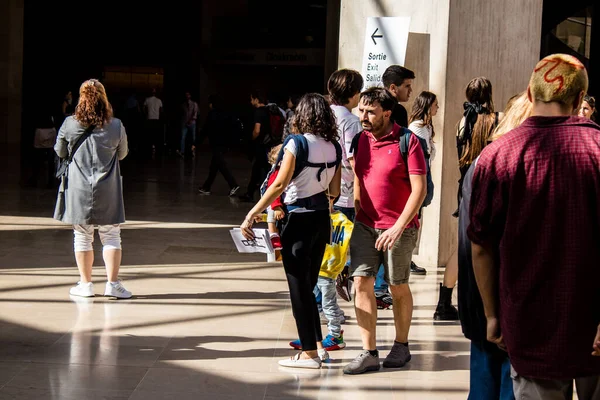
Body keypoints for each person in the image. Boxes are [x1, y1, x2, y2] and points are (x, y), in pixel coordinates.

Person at [470, 54, 600, 399]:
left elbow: (481, 245)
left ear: (529, 93)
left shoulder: (498, 155)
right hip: (593, 328)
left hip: (528, 325)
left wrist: (492, 316)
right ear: (578, 100)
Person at [240, 93, 342, 369]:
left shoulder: (295, 144)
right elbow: (334, 190)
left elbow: (278, 185)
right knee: (307, 288)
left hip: (297, 221)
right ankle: (319, 348)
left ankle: (308, 353)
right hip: (322, 220)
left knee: (298, 289)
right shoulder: (334, 146)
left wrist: (252, 213)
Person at [343, 87, 427, 375]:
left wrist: (398, 226)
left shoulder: (408, 141)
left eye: (370, 112)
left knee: (397, 286)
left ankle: (401, 346)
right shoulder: (359, 139)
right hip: (365, 225)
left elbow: (419, 189)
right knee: (361, 283)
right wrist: (356, 214)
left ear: (387, 113)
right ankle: (368, 351)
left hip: (399, 228)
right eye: (361, 110)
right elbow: (359, 179)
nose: (363, 116)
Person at [458, 91, 531, 400]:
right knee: (508, 385)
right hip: (500, 295)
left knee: (485, 381)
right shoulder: (504, 165)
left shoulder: (481, 163)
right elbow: (483, 243)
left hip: (480, 294)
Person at [54, 79, 131, 299]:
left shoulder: (70, 124)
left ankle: (86, 285)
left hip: (78, 188)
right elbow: (123, 153)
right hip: (108, 188)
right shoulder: (116, 125)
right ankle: (113, 284)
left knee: (82, 236)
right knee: (112, 235)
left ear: (81, 98)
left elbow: (59, 151)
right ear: (104, 98)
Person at [433, 77, 501, 321]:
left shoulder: (463, 121)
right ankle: (486, 304)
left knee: (463, 244)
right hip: (490, 185)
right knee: (488, 244)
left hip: (467, 186)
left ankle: (444, 302)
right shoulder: (498, 120)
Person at [381, 65, 426, 276]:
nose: (410, 91)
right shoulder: (397, 111)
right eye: (407, 86)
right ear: (393, 87)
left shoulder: (384, 107)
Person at [197, 94, 240, 196]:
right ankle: (206, 187)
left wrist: (196, 143)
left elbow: (205, 130)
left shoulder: (212, 114)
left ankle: (233, 184)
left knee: (221, 166)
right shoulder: (226, 114)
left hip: (216, 144)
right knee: (214, 166)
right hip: (225, 144)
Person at [239, 90, 272, 202]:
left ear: (256, 99)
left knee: (262, 170)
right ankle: (250, 192)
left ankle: (263, 196)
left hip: (260, 145)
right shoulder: (268, 110)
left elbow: (257, 130)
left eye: (252, 99)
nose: (251, 101)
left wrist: (252, 138)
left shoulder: (258, 112)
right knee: (258, 169)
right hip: (268, 144)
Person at [178, 91, 198, 158]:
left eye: (188, 95)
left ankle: (193, 151)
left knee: (193, 138)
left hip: (192, 123)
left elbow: (195, 113)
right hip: (184, 123)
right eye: (186, 95)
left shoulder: (194, 104)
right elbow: (181, 114)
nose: (187, 96)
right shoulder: (183, 105)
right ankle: (182, 152)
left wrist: (191, 120)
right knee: (182, 137)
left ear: (190, 96)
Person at [144, 88, 163, 155]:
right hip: (156, 119)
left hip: (149, 118)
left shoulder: (147, 100)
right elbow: (161, 110)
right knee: (156, 134)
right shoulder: (159, 100)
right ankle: (155, 146)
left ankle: (149, 146)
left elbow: (144, 109)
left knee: (149, 134)